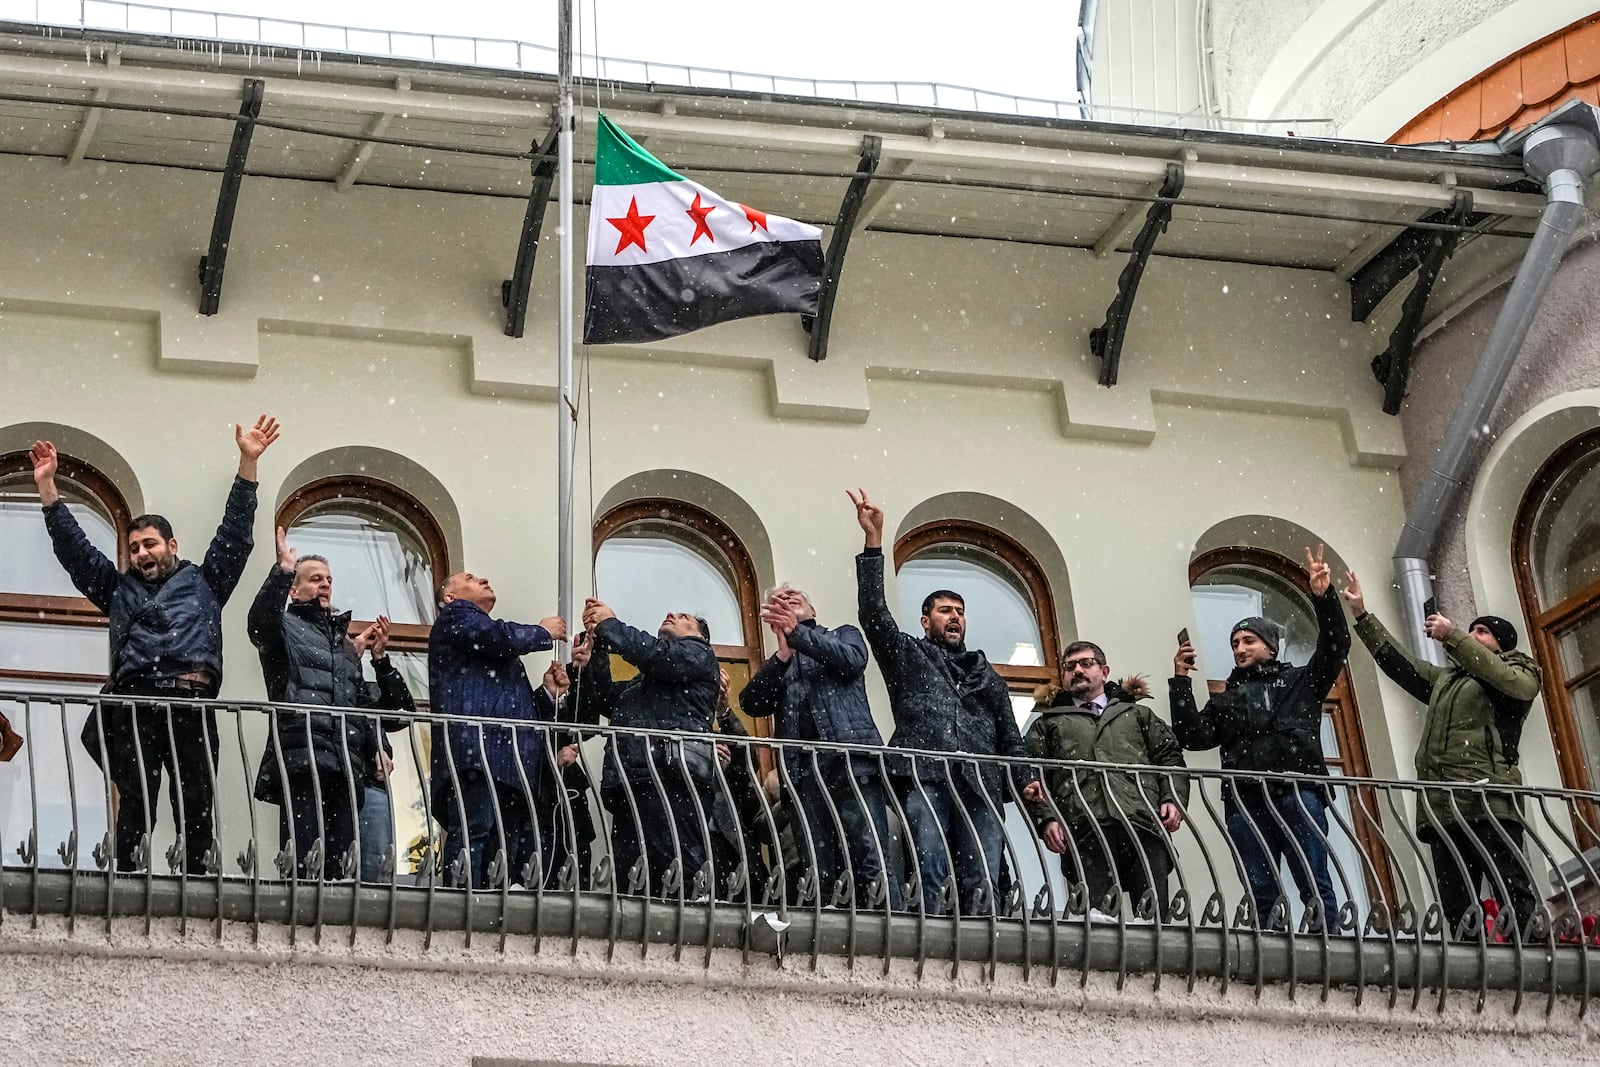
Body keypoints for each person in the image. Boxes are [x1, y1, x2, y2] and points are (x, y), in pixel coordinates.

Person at [29, 418, 279, 874]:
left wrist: (248, 463)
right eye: (135, 547)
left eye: (149, 544)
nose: (142, 553)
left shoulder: (206, 581)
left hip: (190, 701)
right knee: (137, 800)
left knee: (196, 797)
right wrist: (49, 490)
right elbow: (76, 551)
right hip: (135, 703)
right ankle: (126, 876)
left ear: (171, 545)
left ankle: (199, 879)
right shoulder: (118, 589)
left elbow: (236, 535)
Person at [846, 489, 1044, 916]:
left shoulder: (985, 673)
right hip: (926, 775)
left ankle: (981, 943)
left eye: (959, 611)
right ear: (925, 620)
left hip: (981, 780)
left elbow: (1010, 735)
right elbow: (874, 615)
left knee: (984, 875)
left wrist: (1026, 778)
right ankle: (932, 937)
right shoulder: (909, 655)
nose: (954, 617)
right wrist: (874, 543)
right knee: (930, 867)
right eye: (944, 611)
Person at [1342, 574, 1542, 939]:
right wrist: (1361, 615)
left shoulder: (1519, 671)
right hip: (1442, 805)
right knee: (1456, 903)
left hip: (1489, 799)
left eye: (1481, 632)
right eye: (1472, 631)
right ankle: (1474, 968)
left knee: (1511, 888)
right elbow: (1399, 665)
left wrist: (1453, 635)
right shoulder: (1446, 681)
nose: (1473, 636)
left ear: (1500, 644)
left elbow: (1515, 685)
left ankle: (1532, 960)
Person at [1170, 545, 1349, 932]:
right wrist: (1181, 683)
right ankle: (1266, 942)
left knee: (1313, 878)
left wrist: (1323, 597)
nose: (1239, 649)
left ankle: (1328, 940)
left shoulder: (1301, 681)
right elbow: (1192, 736)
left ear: (1270, 646)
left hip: (1298, 791)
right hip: (1246, 798)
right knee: (1260, 886)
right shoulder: (1228, 697)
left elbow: (1336, 646)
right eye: (1235, 644)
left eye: (1248, 641)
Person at [247, 527, 416, 880]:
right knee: (304, 861)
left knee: (341, 868)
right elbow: (260, 625)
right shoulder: (287, 625)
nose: (324, 584)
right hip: (304, 757)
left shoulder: (344, 646)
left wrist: (374, 746)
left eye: (328, 579)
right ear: (295, 590)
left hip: (345, 766)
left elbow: (373, 709)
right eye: (313, 579)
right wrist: (281, 571)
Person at [741, 583, 900, 909]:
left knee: (870, 856)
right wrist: (784, 653)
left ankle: (887, 932)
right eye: (780, 602)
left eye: (794, 597)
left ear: (812, 611)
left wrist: (797, 634)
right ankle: (832, 937)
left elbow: (852, 660)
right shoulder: (781, 662)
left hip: (852, 763)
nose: (787, 601)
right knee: (820, 865)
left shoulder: (843, 634)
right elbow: (753, 702)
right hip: (803, 777)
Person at [1026, 641, 1189, 921]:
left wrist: (1172, 799)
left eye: (1085, 663)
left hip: (1143, 822)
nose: (1077, 670)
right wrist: (1046, 819)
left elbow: (1169, 756)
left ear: (1104, 671)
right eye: (1069, 666)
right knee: (1097, 923)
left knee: (1154, 923)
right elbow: (1032, 776)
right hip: (1084, 827)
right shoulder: (1048, 723)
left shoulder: (1137, 714)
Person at [428, 571, 566, 890]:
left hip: (502, 758)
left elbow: (511, 704)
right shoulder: (456, 617)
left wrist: (545, 694)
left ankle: (487, 907)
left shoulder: (481, 638)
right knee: (475, 831)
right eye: (471, 578)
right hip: (477, 753)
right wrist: (541, 632)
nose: (485, 578)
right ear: (450, 597)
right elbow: (498, 638)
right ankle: (463, 904)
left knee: (501, 842)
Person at [574, 598, 720, 898]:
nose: (671, 613)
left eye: (683, 616)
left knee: (675, 867)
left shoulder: (699, 655)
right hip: (637, 781)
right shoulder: (648, 681)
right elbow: (607, 699)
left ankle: (684, 932)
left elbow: (655, 655)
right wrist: (597, 651)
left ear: (699, 636)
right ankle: (642, 936)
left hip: (672, 779)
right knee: (634, 874)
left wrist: (609, 625)